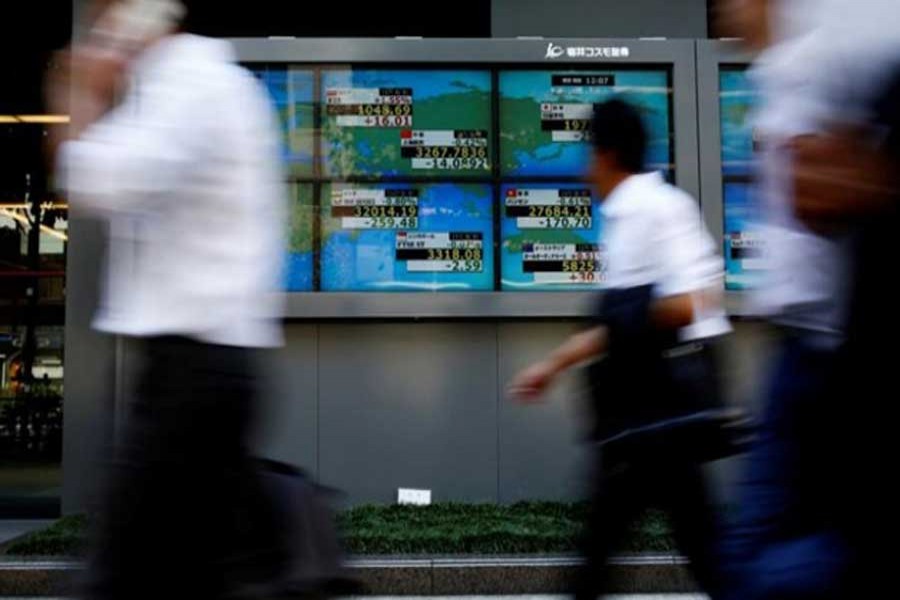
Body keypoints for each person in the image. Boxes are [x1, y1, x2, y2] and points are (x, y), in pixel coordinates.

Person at [48, 1, 287, 598]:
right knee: (204, 573)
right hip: (207, 369)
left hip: (193, 373)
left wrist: (76, 94)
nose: (98, 40)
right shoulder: (207, 84)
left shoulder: (188, 85)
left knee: (126, 575)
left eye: (106, 25)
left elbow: (99, 178)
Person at [508, 99, 732, 600]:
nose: (586, 169)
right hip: (640, 421)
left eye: (589, 154)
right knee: (698, 549)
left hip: (655, 414)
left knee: (604, 555)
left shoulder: (658, 208)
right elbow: (618, 325)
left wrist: (632, 319)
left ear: (606, 154)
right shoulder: (627, 216)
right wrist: (553, 365)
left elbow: (697, 298)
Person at [713, 1, 900, 598]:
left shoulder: (829, 52)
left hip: (827, 351)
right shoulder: (780, 68)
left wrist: (836, 176)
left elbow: (832, 186)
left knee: (757, 563)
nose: (723, 12)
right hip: (800, 347)